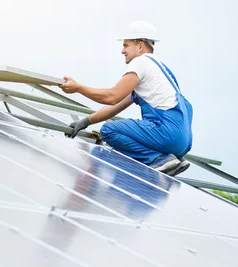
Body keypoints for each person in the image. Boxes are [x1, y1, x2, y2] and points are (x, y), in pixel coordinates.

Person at [59, 20, 193, 176]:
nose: (122, 51)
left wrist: (78, 88)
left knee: (109, 131)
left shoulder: (141, 62)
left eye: (126, 45)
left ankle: (159, 159)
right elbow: (115, 106)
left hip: (167, 135)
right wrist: (86, 121)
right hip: (183, 141)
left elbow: (112, 97)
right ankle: (171, 158)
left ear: (140, 46)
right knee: (119, 127)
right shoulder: (160, 69)